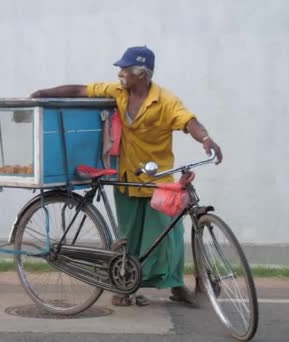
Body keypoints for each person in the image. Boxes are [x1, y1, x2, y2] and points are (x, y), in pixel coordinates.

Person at [31, 46, 223, 307]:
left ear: (142, 74)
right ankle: (125, 286)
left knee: (168, 237)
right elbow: (80, 90)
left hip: (158, 180)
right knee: (128, 236)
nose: (120, 74)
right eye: (120, 69)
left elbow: (188, 122)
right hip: (127, 175)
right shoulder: (118, 92)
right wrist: (43, 94)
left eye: (125, 69)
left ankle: (176, 286)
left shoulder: (165, 101)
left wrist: (206, 139)